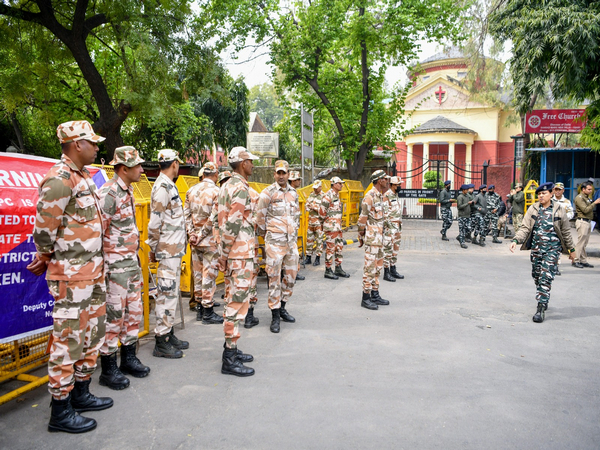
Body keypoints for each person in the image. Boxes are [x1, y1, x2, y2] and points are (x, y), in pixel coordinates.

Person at [28, 120, 112, 433]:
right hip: (72, 278)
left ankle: (80, 392)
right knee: (68, 340)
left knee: (90, 336)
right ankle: (60, 411)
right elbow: (44, 231)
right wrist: (47, 257)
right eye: (92, 142)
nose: (96, 146)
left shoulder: (83, 177)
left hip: (92, 274)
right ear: (77, 144)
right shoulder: (59, 179)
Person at [97, 146, 150, 391]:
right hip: (114, 268)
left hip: (130, 264)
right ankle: (108, 369)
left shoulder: (127, 191)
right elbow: (98, 231)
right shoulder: (109, 193)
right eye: (138, 166)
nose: (141, 169)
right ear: (124, 168)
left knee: (133, 314)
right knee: (113, 318)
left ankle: (128, 358)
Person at [217, 146, 258, 376]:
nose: (252, 165)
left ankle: (231, 348)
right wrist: (224, 254)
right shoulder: (240, 188)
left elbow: (218, 220)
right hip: (239, 254)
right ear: (243, 164)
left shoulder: (225, 186)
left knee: (234, 301)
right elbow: (232, 224)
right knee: (236, 305)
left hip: (235, 253)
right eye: (250, 161)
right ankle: (229, 358)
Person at [510, 183, 576, 323]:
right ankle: (543, 294)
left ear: (551, 194)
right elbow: (525, 227)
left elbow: (565, 232)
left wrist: (572, 250)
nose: (541, 196)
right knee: (537, 276)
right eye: (539, 194)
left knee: (546, 277)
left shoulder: (559, 210)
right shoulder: (533, 209)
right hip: (536, 249)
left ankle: (540, 307)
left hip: (553, 250)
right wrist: (516, 240)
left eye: (544, 193)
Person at [147, 149, 189, 359]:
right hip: (166, 250)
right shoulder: (163, 186)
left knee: (171, 293)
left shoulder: (168, 185)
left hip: (173, 250)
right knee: (166, 294)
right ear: (174, 164)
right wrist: (153, 248)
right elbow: (155, 222)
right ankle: (161, 340)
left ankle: (168, 331)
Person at [256, 161, 300, 333]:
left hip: (290, 243)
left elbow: (296, 215)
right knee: (274, 279)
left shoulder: (294, 194)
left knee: (291, 276)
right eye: (278, 173)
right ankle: (275, 315)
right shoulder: (267, 193)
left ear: (288, 174)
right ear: (274, 174)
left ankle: (282, 306)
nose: (281, 176)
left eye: (284, 173)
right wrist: (268, 237)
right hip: (274, 243)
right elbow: (260, 218)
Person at [184, 161, 224, 325]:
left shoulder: (191, 190)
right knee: (209, 275)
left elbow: (186, 215)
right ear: (215, 175)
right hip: (209, 240)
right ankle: (208, 311)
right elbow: (214, 218)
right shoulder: (217, 192)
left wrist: (192, 234)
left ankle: (200, 307)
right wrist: (201, 234)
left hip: (195, 241)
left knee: (198, 273)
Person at [358, 170, 391, 310]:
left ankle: (375, 294)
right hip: (372, 239)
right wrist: (361, 236)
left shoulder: (380, 196)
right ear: (379, 180)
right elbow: (362, 219)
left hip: (380, 239)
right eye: (384, 179)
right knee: (369, 268)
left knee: (377, 268)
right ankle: (365, 297)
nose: (387, 181)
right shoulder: (369, 197)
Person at [319, 177, 349, 280]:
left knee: (339, 247)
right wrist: (325, 223)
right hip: (331, 228)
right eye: (340, 183)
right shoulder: (328, 196)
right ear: (334, 184)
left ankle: (338, 268)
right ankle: (328, 270)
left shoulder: (337, 195)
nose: (341, 185)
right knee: (330, 249)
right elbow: (322, 212)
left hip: (338, 227)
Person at [572, 181, 600, 268]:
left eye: (591, 189)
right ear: (583, 189)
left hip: (588, 222)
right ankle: (575, 260)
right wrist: (595, 203)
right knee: (581, 242)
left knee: (584, 243)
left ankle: (583, 260)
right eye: (589, 189)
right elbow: (585, 210)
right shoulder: (580, 198)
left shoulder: (587, 197)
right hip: (582, 221)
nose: (590, 191)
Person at [383, 176, 404, 281]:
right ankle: (386, 272)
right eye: (397, 185)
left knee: (395, 249)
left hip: (397, 226)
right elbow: (385, 214)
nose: (399, 187)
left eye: (400, 185)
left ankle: (393, 269)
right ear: (392, 185)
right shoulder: (387, 195)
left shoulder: (395, 195)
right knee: (388, 249)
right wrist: (389, 227)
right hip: (390, 227)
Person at [552, 182, 574, 275]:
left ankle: (556, 265)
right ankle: (552, 265)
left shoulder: (566, 202)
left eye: (559, 190)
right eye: (556, 189)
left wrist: (563, 218)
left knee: (559, 246)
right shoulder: (550, 200)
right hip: (551, 227)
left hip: (562, 228)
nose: (557, 192)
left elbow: (571, 213)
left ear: (563, 190)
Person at [288, 170, 305, 281]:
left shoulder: (294, 192)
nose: (299, 181)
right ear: (293, 180)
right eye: (298, 179)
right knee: (290, 251)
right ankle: (291, 273)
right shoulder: (289, 192)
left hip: (293, 226)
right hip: (289, 227)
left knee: (293, 251)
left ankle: (293, 272)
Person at [305, 180, 325, 266]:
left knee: (319, 241)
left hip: (319, 223)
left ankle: (317, 258)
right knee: (309, 240)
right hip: (311, 222)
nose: (315, 190)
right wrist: (309, 207)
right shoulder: (311, 194)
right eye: (314, 188)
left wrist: (314, 208)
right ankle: (308, 258)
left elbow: (324, 210)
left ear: (320, 187)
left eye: (317, 188)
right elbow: (307, 204)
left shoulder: (324, 196)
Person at [456, 184, 471, 249]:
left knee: (468, 229)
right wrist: (467, 204)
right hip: (462, 216)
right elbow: (459, 206)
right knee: (462, 230)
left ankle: (460, 237)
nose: (467, 191)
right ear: (463, 190)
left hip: (467, 215)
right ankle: (462, 242)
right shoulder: (460, 197)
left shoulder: (467, 196)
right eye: (466, 190)